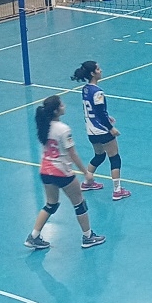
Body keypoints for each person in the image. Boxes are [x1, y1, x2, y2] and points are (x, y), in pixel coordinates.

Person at [24, 95, 106, 249]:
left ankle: (33, 236)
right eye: (61, 104)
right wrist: (86, 172)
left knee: (51, 204)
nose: (64, 105)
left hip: (45, 171)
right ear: (56, 110)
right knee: (79, 203)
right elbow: (72, 153)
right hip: (61, 172)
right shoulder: (63, 129)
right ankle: (88, 237)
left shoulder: (45, 125)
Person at [71, 61, 131, 201]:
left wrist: (106, 116)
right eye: (98, 69)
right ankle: (117, 190)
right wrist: (111, 128)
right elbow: (100, 112)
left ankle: (87, 182)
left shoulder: (85, 89)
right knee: (114, 157)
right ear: (93, 73)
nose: (101, 70)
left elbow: (95, 110)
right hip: (102, 131)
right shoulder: (98, 92)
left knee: (99, 156)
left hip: (91, 131)